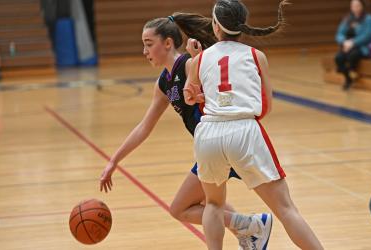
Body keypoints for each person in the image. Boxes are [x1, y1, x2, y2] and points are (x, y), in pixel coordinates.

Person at [99, 13, 273, 249]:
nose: (144, 51)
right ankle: (251, 227)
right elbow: (144, 126)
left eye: (149, 44)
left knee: (181, 208)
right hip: (209, 147)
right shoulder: (164, 82)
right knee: (207, 202)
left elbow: (223, 95)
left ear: (168, 43)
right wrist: (114, 161)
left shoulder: (191, 64)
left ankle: (252, 225)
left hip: (222, 141)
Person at [183, 0, 324, 249]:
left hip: (208, 132)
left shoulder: (199, 59)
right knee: (285, 208)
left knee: (214, 204)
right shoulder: (256, 56)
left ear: (216, 26)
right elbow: (266, 105)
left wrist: (198, 69)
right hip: (243, 130)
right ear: (241, 26)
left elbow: (191, 97)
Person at [335, 0, 371, 90]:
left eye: (357, 5)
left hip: (362, 47)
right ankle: (348, 78)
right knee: (339, 58)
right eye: (353, 6)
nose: (355, 8)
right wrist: (344, 42)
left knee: (352, 56)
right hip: (347, 46)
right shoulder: (348, 19)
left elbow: (367, 36)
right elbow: (339, 34)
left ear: (362, 6)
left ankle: (347, 71)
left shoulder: (368, 19)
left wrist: (353, 43)